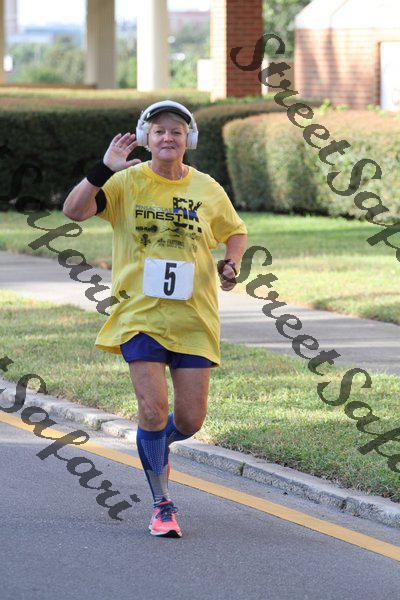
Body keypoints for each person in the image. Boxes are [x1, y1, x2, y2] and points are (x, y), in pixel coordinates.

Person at [62, 100, 247, 538]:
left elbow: (235, 231)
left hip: (194, 317)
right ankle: (162, 503)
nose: (168, 137)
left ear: (188, 140)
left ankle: (153, 441)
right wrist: (102, 170)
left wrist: (232, 263)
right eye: (159, 130)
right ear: (147, 138)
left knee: (190, 420)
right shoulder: (125, 181)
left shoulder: (206, 187)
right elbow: (73, 211)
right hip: (139, 314)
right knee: (152, 409)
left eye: (176, 131)